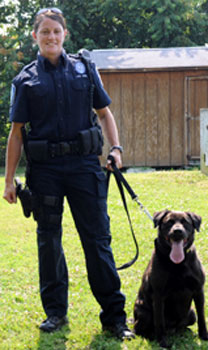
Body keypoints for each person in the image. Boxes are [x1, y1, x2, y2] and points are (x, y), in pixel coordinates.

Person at [3, 8, 135, 340]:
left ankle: (115, 318)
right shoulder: (25, 80)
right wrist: (8, 180)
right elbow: (16, 133)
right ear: (35, 36)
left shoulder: (85, 69)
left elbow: (105, 114)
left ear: (65, 35)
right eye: (44, 32)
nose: (50, 37)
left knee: (97, 241)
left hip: (84, 168)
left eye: (56, 31)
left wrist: (115, 149)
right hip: (45, 171)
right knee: (49, 242)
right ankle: (55, 314)